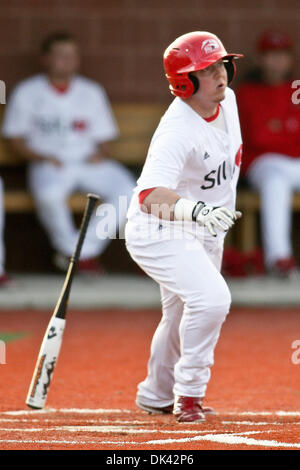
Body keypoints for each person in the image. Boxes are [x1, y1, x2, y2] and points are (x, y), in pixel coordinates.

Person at [125, 31, 243, 423]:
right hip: (160, 230)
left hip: (206, 227)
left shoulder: (228, 101)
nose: (220, 75)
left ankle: (154, 394)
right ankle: (188, 396)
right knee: (211, 300)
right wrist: (195, 212)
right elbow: (148, 196)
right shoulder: (178, 129)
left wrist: (206, 217)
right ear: (184, 82)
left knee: (178, 316)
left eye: (221, 65)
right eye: (207, 71)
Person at [2, 32, 135, 274]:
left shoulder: (91, 91)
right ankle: (79, 256)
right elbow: (14, 138)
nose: (67, 60)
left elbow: (106, 138)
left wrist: (101, 154)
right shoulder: (27, 91)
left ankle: (80, 251)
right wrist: (39, 156)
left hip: (87, 161)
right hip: (49, 162)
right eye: (60, 54)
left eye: (72, 55)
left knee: (128, 191)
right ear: (46, 59)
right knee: (49, 196)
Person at [236, 30, 300, 277]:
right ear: (260, 60)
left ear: (290, 59)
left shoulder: (296, 88)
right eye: (271, 55)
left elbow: (274, 134)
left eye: (282, 55)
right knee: (276, 182)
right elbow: (259, 138)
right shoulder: (247, 92)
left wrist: (278, 131)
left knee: (281, 177)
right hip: (263, 163)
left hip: (295, 162)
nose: (277, 61)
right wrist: (287, 132)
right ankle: (279, 258)